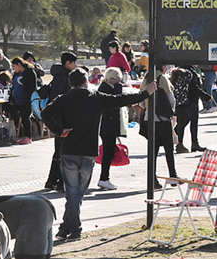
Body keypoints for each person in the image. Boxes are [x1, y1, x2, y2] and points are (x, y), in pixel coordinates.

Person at [42, 69, 156, 242]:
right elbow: (122, 100)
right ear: (86, 81)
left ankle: (66, 228)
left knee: (72, 193)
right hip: (88, 152)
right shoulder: (96, 98)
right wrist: (145, 94)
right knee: (77, 193)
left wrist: (59, 131)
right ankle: (75, 230)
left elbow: (45, 114)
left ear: (71, 83)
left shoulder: (63, 99)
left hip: (69, 151)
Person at [140, 65, 178, 189]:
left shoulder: (146, 78)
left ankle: (153, 179)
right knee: (168, 149)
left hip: (148, 118)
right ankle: (173, 176)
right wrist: (172, 113)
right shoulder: (162, 78)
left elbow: (141, 101)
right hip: (162, 119)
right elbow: (171, 99)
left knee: (153, 151)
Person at [45, 51, 78, 192]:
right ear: (68, 63)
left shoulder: (61, 76)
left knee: (59, 152)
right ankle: (60, 183)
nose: (76, 66)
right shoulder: (62, 78)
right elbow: (57, 100)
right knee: (63, 152)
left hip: (59, 120)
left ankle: (52, 181)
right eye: (74, 63)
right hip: (61, 121)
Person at [172, 67, 212, 153]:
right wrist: (206, 96)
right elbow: (194, 87)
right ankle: (194, 143)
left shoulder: (179, 71)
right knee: (193, 122)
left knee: (183, 122)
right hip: (191, 101)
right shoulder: (189, 73)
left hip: (181, 102)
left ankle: (179, 141)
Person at [97, 67, 125, 190]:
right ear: (112, 78)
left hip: (108, 124)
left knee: (109, 151)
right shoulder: (106, 89)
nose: (120, 81)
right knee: (108, 152)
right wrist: (119, 88)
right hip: (107, 124)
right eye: (118, 79)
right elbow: (117, 101)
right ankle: (104, 178)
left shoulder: (105, 87)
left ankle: (104, 178)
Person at [10, 57, 38, 145]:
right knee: (19, 116)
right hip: (17, 100)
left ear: (19, 64)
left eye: (14, 66)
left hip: (26, 99)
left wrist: (28, 99)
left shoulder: (29, 72)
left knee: (26, 117)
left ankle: (28, 136)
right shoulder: (16, 74)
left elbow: (31, 87)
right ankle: (22, 134)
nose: (14, 68)